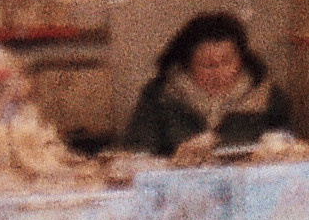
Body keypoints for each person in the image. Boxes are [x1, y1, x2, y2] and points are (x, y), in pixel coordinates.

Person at [123, 11, 298, 160]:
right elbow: (138, 153)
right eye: (207, 65)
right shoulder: (159, 97)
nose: (218, 72)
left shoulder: (268, 97)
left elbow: (289, 150)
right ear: (187, 64)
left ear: (241, 60)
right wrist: (177, 158)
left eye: (227, 62)